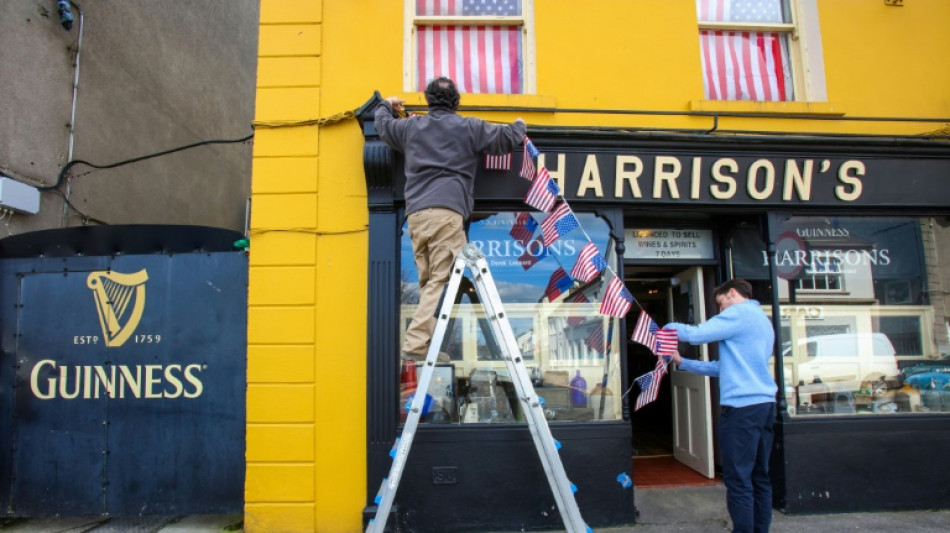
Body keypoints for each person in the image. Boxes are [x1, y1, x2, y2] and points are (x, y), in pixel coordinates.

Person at [375, 77, 526, 362]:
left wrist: (385, 105)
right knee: (440, 280)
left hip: (416, 215)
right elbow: (506, 139)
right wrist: (520, 124)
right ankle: (415, 342)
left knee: (429, 282)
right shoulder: (468, 127)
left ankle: (428, 345)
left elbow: (382, 126)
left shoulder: (411, 127)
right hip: (447, 211)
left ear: (428, 99)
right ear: (456, 101)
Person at [663, 279, 777, 533]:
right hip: (764, 405)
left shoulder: (739, 313)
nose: (721, 309)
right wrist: (683, 362)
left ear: (732, 293)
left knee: (738, 480)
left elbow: (695, 334)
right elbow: (722, 367)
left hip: (741, 409)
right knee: (759, 477)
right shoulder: (762, 320)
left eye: (720, 303)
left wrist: (666, 327)